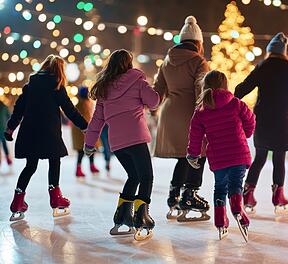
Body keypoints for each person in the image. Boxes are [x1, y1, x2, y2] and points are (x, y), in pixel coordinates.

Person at [84, 49, 159, 241]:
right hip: (136, 138)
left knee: (133, 176)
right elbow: (154, 102)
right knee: (146, 177)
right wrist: (151, 88)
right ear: (128, 64)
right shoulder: (138, 81)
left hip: (117, 143)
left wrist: (89, 143)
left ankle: (122, 216)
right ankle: (141, 217)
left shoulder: (104, 89)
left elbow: (97, 120)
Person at [234, 33, 288, 214]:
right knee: (279, 158)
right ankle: (278, 195)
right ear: (283, 52)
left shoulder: (262, 66)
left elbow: (242, 89)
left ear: (269, 51)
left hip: (263, 119)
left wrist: (232, 99)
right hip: (282, 120)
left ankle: (247, 193)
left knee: (260, 157)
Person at [5, 55, 88, 221]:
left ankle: (17, 201)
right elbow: (70, 110)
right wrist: (86, 126)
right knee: (54, 160)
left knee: (30, 166)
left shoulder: (29, 86)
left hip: (30, 133)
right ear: (59, 70)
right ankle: (55, 197)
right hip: (49, 133)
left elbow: (18, 109)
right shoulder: (56, 86)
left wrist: (10, 128)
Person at [153, 16, 210, 221]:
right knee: (199, 154)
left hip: (169, 114)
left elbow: (157, 91)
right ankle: (190, 195)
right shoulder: (198, 61)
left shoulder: (166, 61)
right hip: (190, 113)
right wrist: (204, 111)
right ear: (198, 42)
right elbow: (201, 89)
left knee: (183, 157)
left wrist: (152, 107)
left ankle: (174, 195)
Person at [187, 70, 255, 241]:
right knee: (235, 186)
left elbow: (194, 135)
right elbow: (251, 121)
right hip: (238, 154)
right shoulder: (236, 104)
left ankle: (220, 220)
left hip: (218, 158)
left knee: (220, 188)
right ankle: (237, 208)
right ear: (225, 85)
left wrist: (193, 154)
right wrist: (245, 133)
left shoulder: (201, 110)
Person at [71, 86, 99, 179]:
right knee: (82, 151)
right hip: (83, 131)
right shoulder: (82, 104)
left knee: (88, 150)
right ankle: (79, 169)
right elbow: (87, 118)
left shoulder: (84, 103)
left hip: (84, 131)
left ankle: (90, 166)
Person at [0, 100, 13, 167]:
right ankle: (8, 159)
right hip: (2, 128)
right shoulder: (4, 107)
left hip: (2, 128)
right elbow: (9, 116)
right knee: (4, 143)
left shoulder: (4, 107)